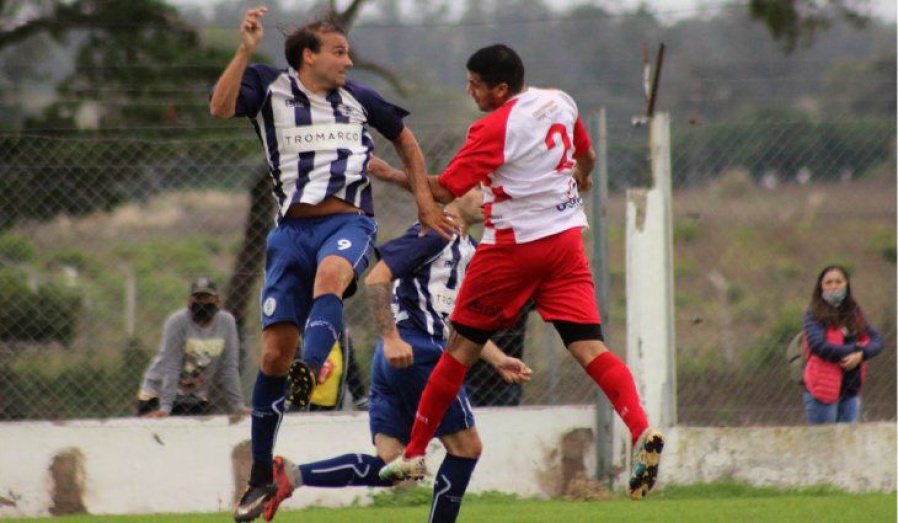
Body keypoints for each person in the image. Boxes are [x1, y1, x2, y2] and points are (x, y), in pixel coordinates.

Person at [369, 44, 664, 500]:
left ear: (500, 89)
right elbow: (586, 158)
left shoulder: (494, 127)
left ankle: (413, 452)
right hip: (566, 244)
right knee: (590, 348)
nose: (469, 91)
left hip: (513, 248)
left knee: (458, 349)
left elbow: (447, 188)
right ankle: (641, 428)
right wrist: (581, 179)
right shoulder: (559, 101)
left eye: (475, 85)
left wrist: (391, 174)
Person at [208, 8, 455, 521]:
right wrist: (244, 50)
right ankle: (260, 475)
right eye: (339, 52)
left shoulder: (359, 98)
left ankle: (315, 363)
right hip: (289, 234)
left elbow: (405, 140)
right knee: (273, 355)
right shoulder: (269, 88)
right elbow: (220, 106)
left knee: (332, 276)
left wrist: (426, 205)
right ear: (309, 56)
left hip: (349, 223)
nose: (348, 60)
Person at [263, 185, 532, 522]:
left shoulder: (468, 248)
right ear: (456, 193)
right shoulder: (438, 231)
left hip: (395, 360)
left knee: (396, 466)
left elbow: (453, 320)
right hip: (418, 353)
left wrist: (497, 358)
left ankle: (293, 475)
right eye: (480, 189)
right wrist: (391, 337)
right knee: (466, 449)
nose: (488, 198)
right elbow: (378, 277)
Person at [136, 278, 247, 418]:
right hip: (159, 394)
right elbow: (172, 366)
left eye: (207, 298)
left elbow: (229, 368)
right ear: (189, 301)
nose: (202, 302)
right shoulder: (177, 322)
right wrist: (165, 408)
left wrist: (239, 407)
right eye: (198, 298)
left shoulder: (226, 322)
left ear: (217, 300)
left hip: (195, 396)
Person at [802, 264, 884, 424]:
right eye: (829, 282)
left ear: (846, 284)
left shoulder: (854, 313)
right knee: (824, 444)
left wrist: (861, 355)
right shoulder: (814, 314)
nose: (834, 286)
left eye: (838, 281)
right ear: (821, 287)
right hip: (823, 390)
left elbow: (877, 341)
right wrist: (855, 350)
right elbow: (819, 346)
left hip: (851, 390)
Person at [466, 301, 533, 407]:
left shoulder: (523, 289)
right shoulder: (466, 288)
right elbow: (462, 329)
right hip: (466, 376)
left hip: (508, 377)